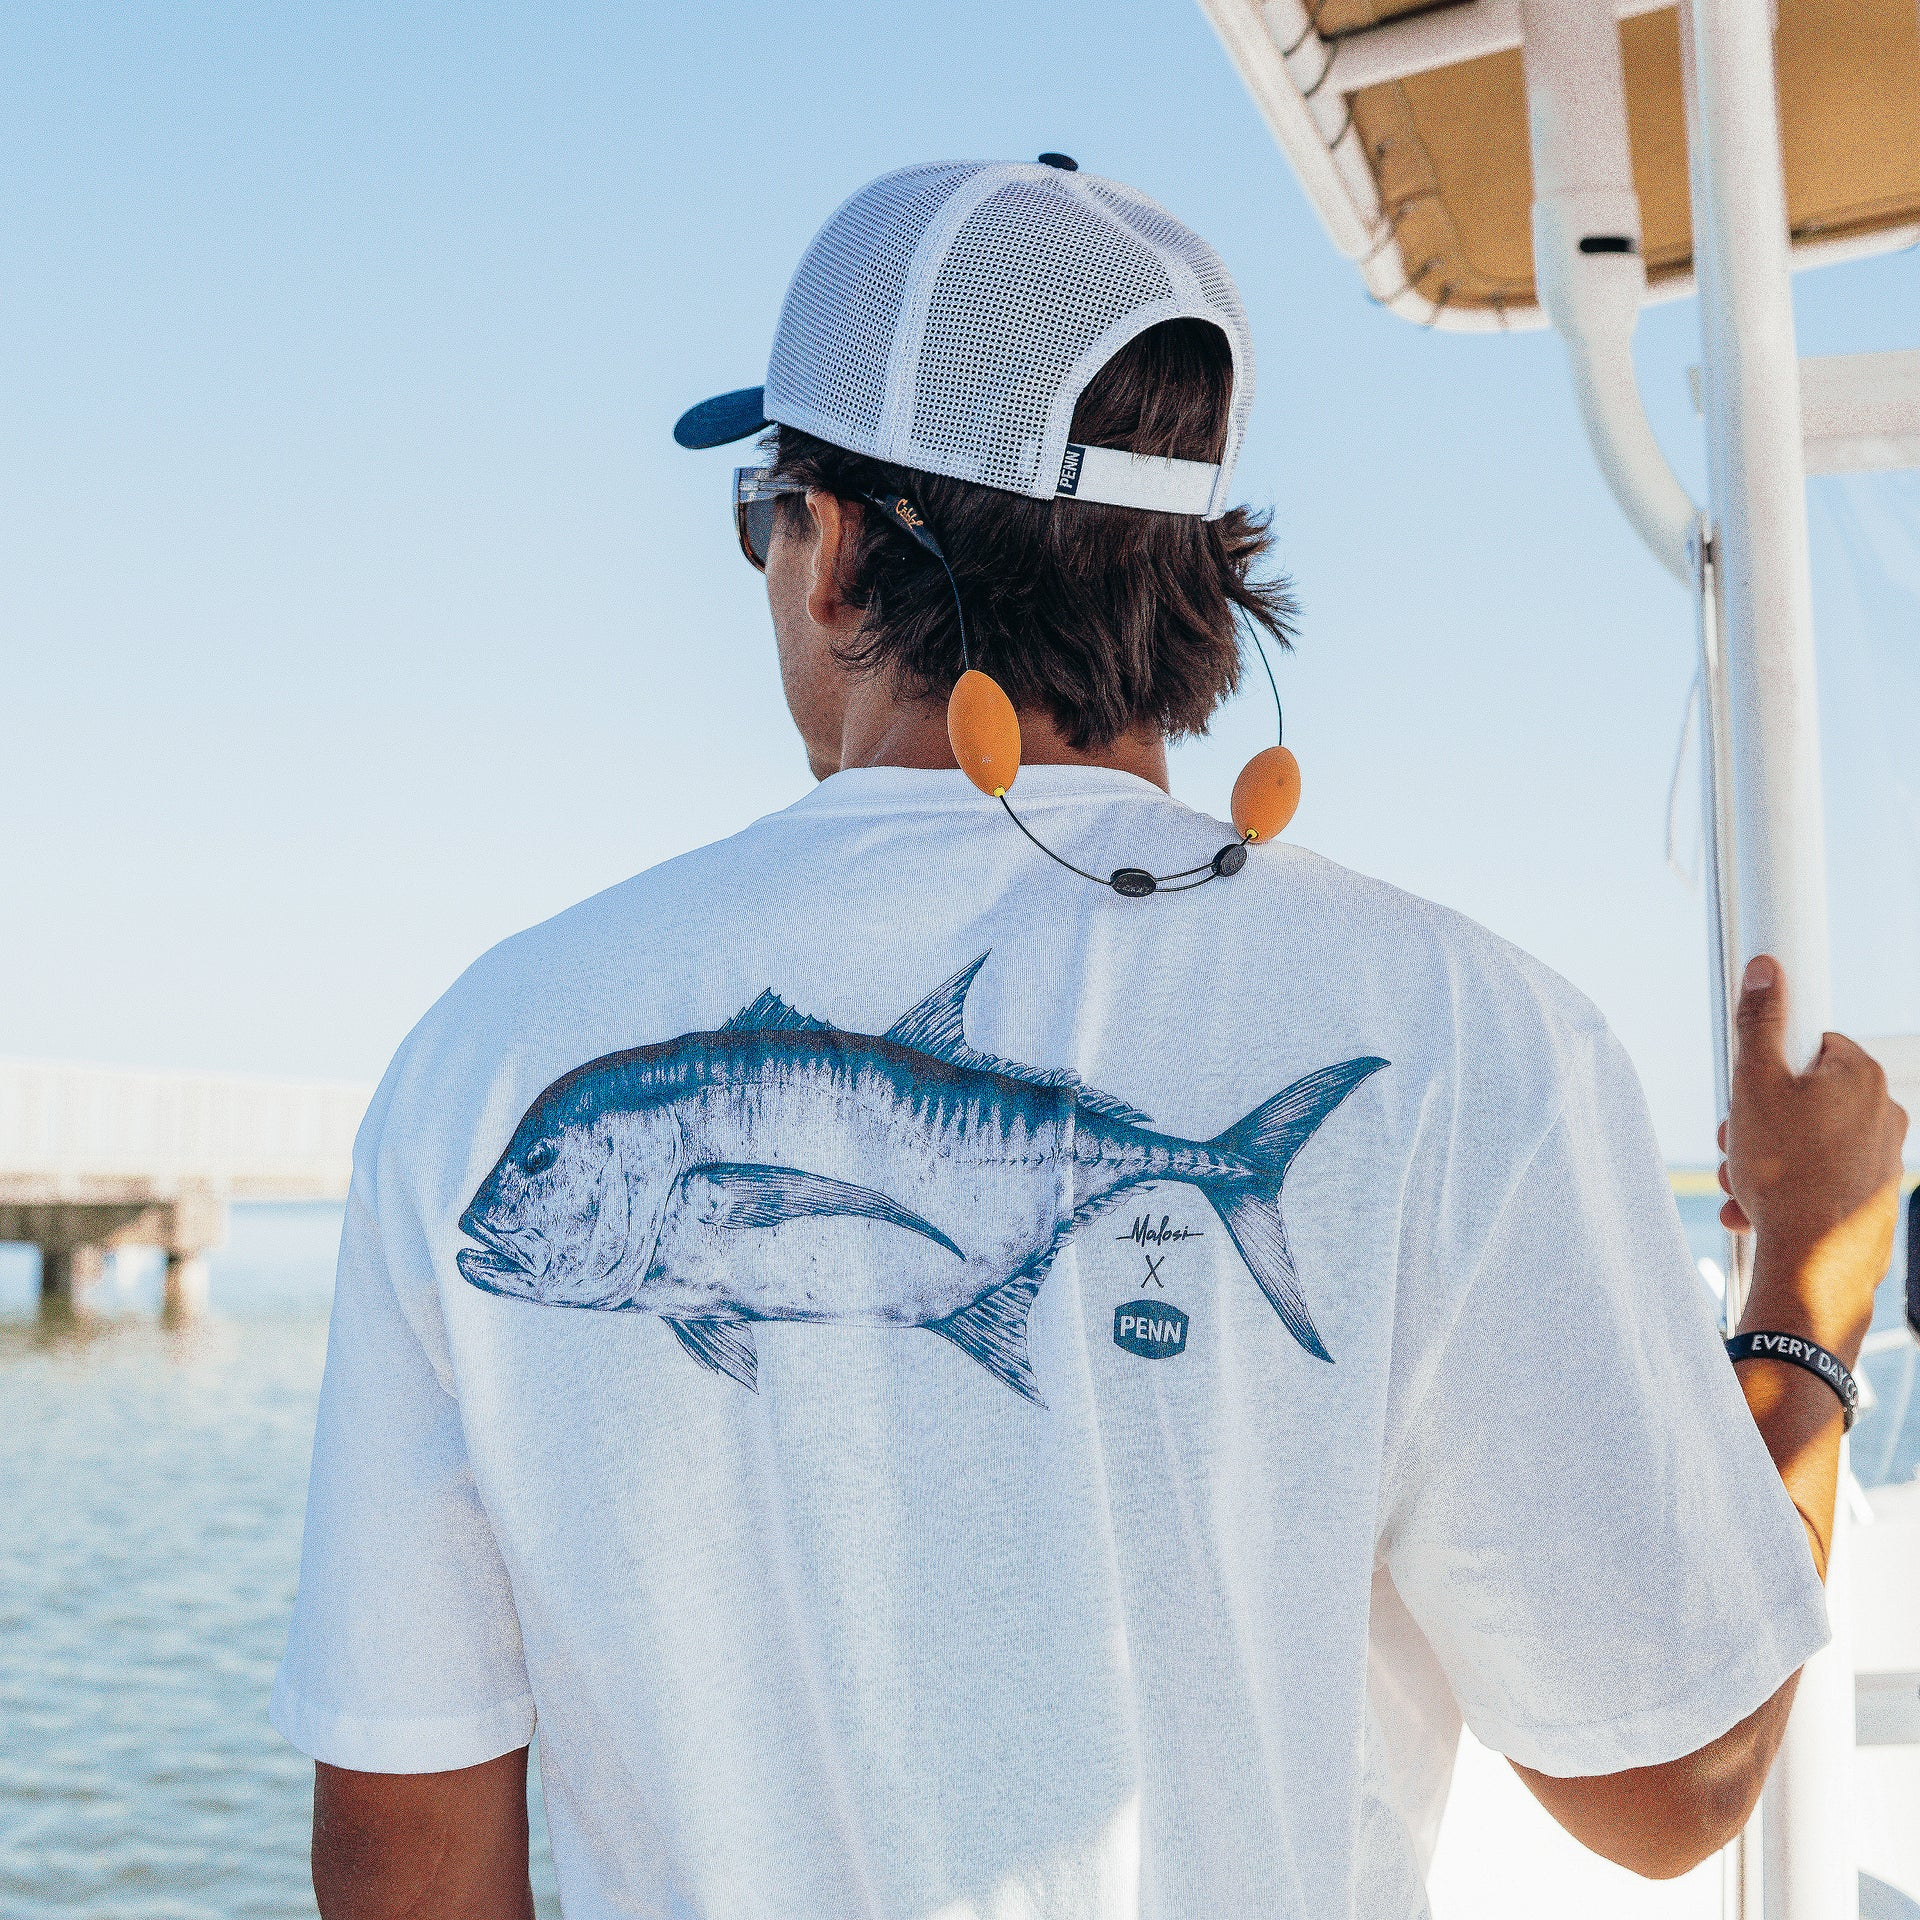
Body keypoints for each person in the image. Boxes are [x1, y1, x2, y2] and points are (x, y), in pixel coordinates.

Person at [272, 158, 1908, 1920]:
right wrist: (1813, 1272)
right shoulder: (1467, 1032)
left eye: (763, 517)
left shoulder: (486, 1057)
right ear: (1194, 574)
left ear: (835, 554)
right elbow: (1673, 1784)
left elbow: (409, 1865)